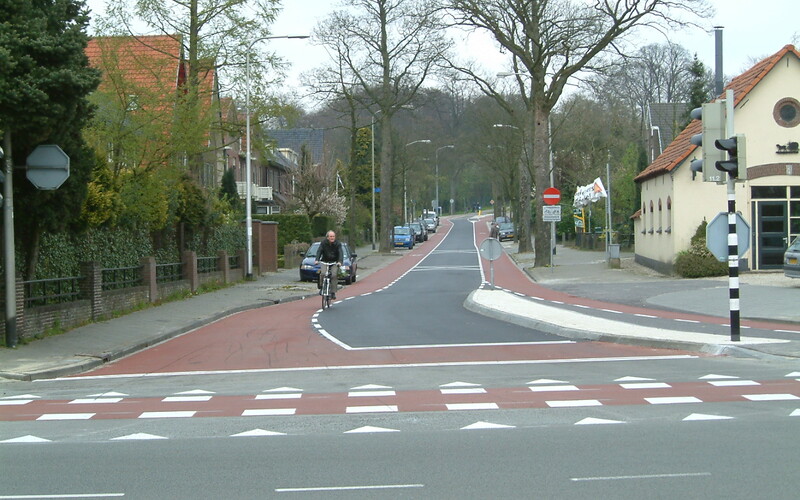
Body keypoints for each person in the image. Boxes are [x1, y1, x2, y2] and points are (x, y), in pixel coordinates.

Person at [315, 230, 343, 300]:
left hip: (334, 262)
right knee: (323, 274)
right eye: (330, 236)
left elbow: (340, 253)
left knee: (334, 275)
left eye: (333, 236)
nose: (332, 238)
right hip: (325, 261)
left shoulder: (338, 244)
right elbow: (319, 251)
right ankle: (322, 288)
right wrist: (317, 260)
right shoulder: (323, 243)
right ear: (327, 237)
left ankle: (333, 292)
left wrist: (340, 261)